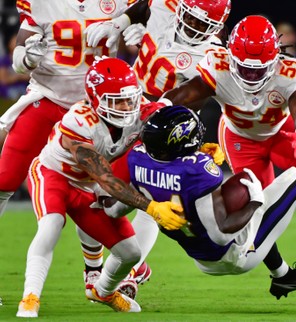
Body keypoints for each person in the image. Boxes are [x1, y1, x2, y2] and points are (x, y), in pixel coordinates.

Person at [100, 105, 296, 300]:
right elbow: (223, 232)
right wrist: (254, 204)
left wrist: (135, 206)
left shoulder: (137, 160)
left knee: (257, 197)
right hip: (232, 254)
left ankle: (283, 278)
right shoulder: (197, 170)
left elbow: (117, 207)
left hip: (201, 257)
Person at [160, 15, 296, 288]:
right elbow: (186, 93)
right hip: (241, 138)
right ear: (231, 57)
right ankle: (281, 275)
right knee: (259, 208)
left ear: (274, 59)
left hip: (281, 131)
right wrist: (155, 110)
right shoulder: (217, 66)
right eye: (244, 69)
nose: (251, 76)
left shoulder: (289, 70)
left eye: (258, 71)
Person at [0, 0, 153, 296]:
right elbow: (20, 50)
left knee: (98, 191)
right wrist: (25, 59)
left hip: (100, 111)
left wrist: (136, 28)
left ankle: (95, 271)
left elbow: (150, 8)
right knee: (4, 180)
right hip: (48, 99)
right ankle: (99, 271)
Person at [16, 57, 186, 318]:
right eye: (116, 100)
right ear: (95, 100)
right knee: (51, 225)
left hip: (87, 186)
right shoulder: (79, 121)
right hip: (55, 176)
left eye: (130, 98)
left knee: (130, 253)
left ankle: (102, 291)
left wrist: (195, 149)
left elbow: (174, 119)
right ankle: (30, 297)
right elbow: (106, 179)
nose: (126, 105)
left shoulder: (141, 110)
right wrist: (151, 207)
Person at [82, 0, 232, 295]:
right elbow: (143, 7)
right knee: (94, 193)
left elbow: (196, 95)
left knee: (147, 200)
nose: (196, 27)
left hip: (164, 129)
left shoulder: (214, 55)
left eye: (206, 24)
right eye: (192, 18)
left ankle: (129, 270)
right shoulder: (166, 7)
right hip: (123, 108)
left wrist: (160, 106)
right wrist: (121, 24)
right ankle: (99, 269)